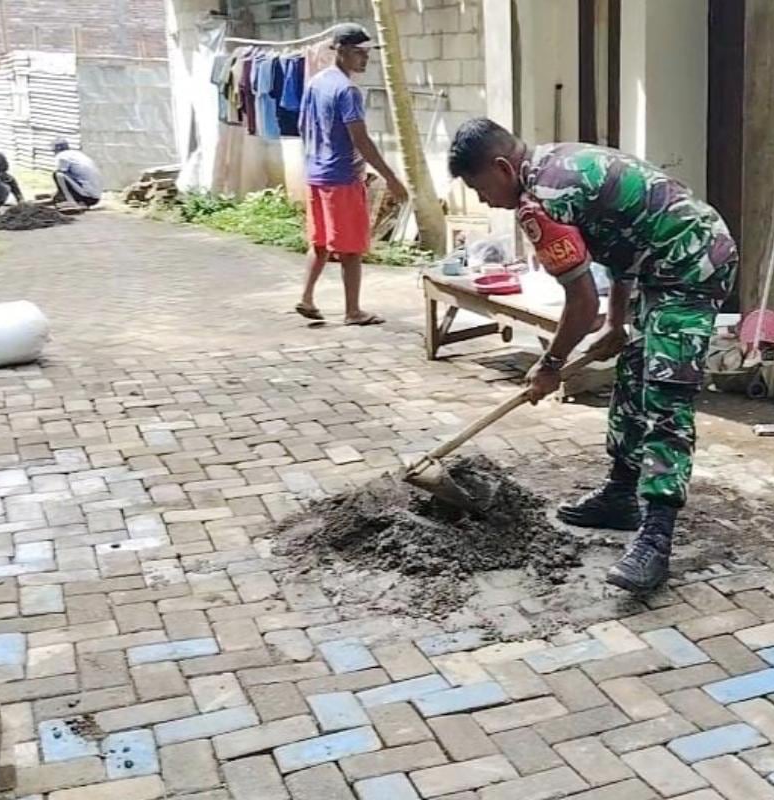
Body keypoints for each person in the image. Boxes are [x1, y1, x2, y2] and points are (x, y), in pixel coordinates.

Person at [447, 118, 739, 593]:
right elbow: (619, 242)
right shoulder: (558, 162)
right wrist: (617, 322)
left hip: (692, 265)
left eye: (481, 189)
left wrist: (551, 365)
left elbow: (580, 303)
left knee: (665, 394)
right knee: (634, 374)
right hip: (661, 261)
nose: (484, 201)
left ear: (503, 166)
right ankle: (622, 494)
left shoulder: (542, 202)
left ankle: (656, 539)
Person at [296, 23, 408, 325]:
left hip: (315, 175)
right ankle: (352, 311)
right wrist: (391, 177)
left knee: (319, 243)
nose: (365, 59)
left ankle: (306, 298)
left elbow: (302, 127)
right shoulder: (347, 91)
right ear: (342, 52)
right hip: (341, 178)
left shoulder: (316, 83)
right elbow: (360, 139)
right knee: (351, 248)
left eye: (368, 53)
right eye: (360, 53)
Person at [52, 139, 103, 208]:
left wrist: (60, 193)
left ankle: (71, 202)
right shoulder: (76, 154)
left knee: (58, 175)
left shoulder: (62, 156)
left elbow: (61, 174)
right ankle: (80, 202)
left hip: (87, 196)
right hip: (95, 198)